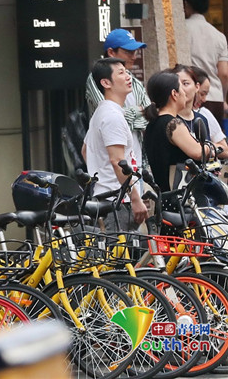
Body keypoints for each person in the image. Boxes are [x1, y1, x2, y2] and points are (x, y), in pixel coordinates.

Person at [82, 58, 148, 231]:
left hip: (109, 197)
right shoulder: (112, 116)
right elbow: (117, 161)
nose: (128, 76)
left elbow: (85, 151)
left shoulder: (102, 112)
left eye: (127, 72)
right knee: (124, 248)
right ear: (106, 83)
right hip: (118, 201)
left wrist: (101, 174)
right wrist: (135, 198)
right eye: (121, 73)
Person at [85, 28, 151, 174]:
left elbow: (150, 112)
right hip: (111, 169)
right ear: (111, 52)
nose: (134, 56)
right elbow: (110, 115)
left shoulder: (133, 80)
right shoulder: (96, 79)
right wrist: (137, 112)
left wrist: (136, 114)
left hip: (137, 161)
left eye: (135, 52)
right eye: (128, 52)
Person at [143, 71, 209, 192]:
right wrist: (211, 148)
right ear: (174, 94)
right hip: (180, 198)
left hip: (163, 196)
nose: (184, 93)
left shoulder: (152, 124)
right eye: (181, 88)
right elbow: (198, 152)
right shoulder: (173, 124)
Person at [182, 0, 228, 125]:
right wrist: (223, 99)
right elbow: (224, 73)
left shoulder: (181, 30)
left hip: (190, 97)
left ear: (185, 3)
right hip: (215, 98)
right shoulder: (219, 36)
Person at [192, 65, 228, 157]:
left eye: (206, 94)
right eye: (202, 94)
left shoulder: (203, 113)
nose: (204, 100)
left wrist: (206, 147)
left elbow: (225, 149)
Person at [172, 64, 210, 141]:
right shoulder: (169, 119)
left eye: (185, 83)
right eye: (176, 84)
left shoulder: (202, 119)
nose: (181, 88)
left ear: (197, 87)